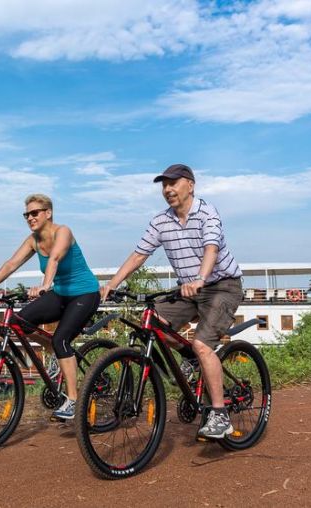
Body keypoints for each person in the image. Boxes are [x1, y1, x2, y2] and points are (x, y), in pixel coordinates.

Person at [100, 164, 243, 439]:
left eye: (173, 183)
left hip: (221, 286)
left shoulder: (207, 212)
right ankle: (188, 356)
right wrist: (111, 284)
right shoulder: (160, 221)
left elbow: (211, 248)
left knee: (202, 344)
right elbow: (138, 255)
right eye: (163, 185)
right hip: (187, 289)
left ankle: (219, 414)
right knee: (152, 324)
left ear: (190, 184)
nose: (167, 189)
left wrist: (201, 278)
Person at [0, 194, 101, 420]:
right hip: (61, 294)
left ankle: (72, 400)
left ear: (48, 213)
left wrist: (44, 285)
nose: (30, 218)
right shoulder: (33, 240)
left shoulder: (63, 232)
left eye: (34, 213)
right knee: (17, 322)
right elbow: (11, 263)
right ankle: (54, 350)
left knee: (61, 337)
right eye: (26, 214)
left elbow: (54, 258)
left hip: (85, 294)